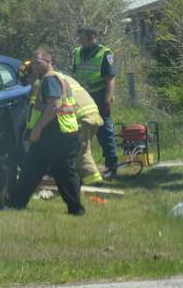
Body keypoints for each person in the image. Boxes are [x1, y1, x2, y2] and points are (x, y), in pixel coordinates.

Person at [10, 49, 84, 216]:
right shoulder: (55, 78)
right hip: (62, 132)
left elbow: (54, 106)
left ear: (48, 62)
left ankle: (76, 209)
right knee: (35, 169)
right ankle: (16, 203)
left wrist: (37, 128)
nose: (35, 65)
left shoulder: (50, 79)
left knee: (61, 172)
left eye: (38, 62)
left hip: (56, 134)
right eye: (33, 62)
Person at [73, 26, 118, 176]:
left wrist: (107, 100)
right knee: (79, 132)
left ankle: (111, 166)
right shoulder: (78, 52)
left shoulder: (104, 53)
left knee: (104, 131)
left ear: (92, 36)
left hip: (99, 95)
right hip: (82, 98)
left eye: (82, 38)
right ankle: (79, 166)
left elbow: (110, 78)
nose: (80, 41)